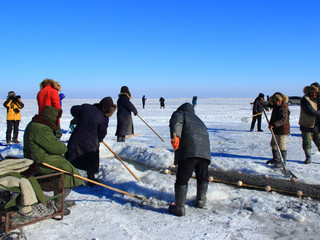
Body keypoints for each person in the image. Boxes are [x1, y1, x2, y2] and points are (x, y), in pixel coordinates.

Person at [23, 105, 85, 215]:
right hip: (40, 161)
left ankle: (59, 201)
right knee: (69, 173)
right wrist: (63, 146)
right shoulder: (41, 129)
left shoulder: (37, 125)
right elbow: (56, 147)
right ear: (51, 117)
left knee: (65, 167)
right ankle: (57, 205)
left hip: (38, 157)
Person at [169, 103, 211, 216]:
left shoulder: (180, 113)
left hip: (189, 151)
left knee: (182, 178)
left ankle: (179, 208)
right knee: (202, 177)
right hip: (205, 154)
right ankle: (201, 201)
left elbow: (177, 123)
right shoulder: (199, 120)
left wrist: (176, 136)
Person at [65, 97, 116, 185]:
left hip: (76, 138)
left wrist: (80, 116)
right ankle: (91, 179)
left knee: (71, 157)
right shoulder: (104, 118)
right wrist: (100, 139)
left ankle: (66, 176)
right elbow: (102, 133)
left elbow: (73, 110)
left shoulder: (86, 108)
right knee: (91, 160)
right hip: (91, 143)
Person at [266, 93, 290, 168]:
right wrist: (263, 103)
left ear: (282, 100)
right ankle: (276, 159)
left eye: (278, 100)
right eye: (275, 100)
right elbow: (269, 105)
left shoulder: (283, 108)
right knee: (273, 144)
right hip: (276, 129)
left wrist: (274, 124)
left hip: (282, 130)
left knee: (281, 145)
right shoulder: (276, 106)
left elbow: (283, 120)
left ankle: (283, 162)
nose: (277, 102)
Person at [299, 85, 320, 164]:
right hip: (307, 124)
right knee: (307, 143)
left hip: (317, 125)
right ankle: (308, 157)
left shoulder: (318, 99)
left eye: (316, 93)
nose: (314, 94)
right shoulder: (305, 99)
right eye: (313, 92)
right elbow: (310, 111)